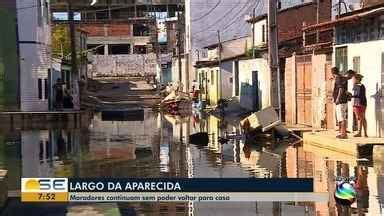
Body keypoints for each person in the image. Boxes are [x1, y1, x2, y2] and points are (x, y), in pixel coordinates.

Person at [332, 68, 355, 139]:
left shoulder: (339, 78)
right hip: (342, 101)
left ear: (332, 73)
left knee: (342, 118)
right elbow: (343, 89)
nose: (351, 78)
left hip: (341, 101)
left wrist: (338, 98)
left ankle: (343, 134)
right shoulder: (342, 78)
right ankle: (341, 133)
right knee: (340, 118)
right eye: (351, 76)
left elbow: (341, 89)